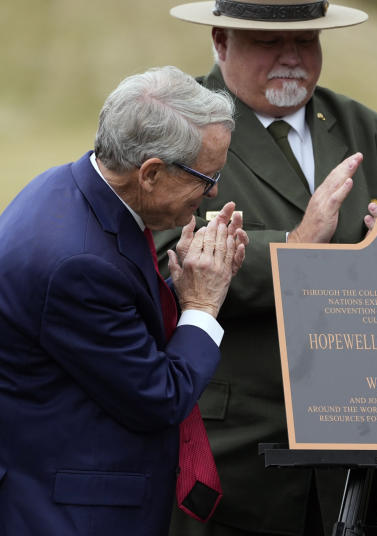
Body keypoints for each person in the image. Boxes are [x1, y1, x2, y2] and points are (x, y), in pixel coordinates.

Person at [159, 0, 377, 536]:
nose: (291, 57)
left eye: (305, 39)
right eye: (268, 41)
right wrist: (299, 246)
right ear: (221, 42)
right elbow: (172, 251)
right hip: (238, 452)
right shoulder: (176, 127)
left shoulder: (367, 129)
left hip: (357, 451)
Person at [0, 65, 247, 535]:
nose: (215, 191)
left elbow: (116, 335)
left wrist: (180, 287)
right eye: (205, 176)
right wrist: (202, 305)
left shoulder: (76, 190)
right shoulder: (77, 263)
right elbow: (159, 396)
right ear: (151, 173)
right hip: (71, 515)